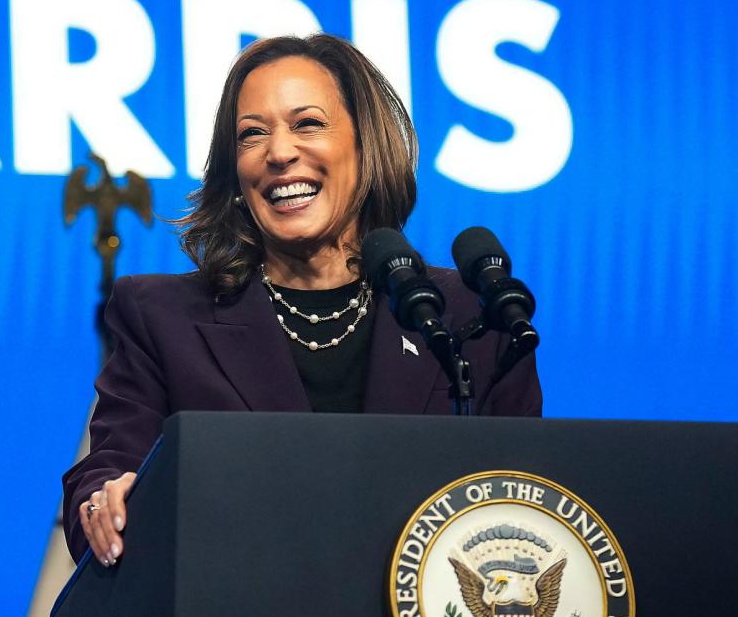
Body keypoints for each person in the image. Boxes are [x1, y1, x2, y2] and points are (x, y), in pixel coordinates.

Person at [62, 34, 541, 567]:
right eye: (252, 135)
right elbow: (108, 469)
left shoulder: (466, 315)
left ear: (365, 142)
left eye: (307, 124)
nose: (280, 152)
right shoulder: (163, 318)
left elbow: (532, 510)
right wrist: (106, 499)